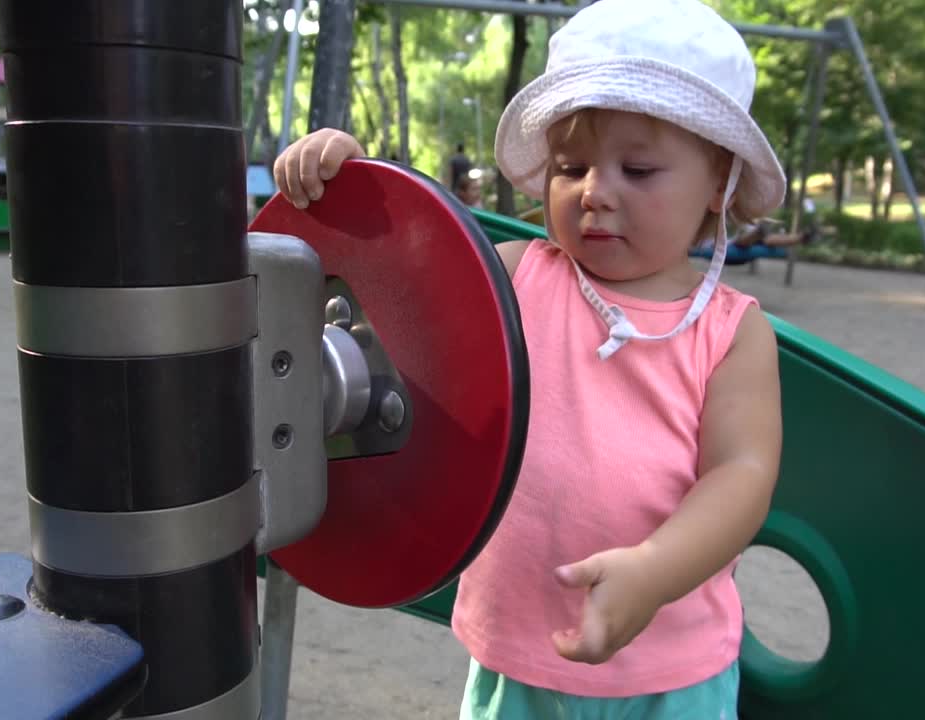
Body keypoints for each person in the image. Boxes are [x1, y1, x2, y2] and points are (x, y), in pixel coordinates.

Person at [274, 1, 783, 717]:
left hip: (673, 671)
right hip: (519, 657)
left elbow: (743, 473)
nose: (596, 192)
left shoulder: (730, 331)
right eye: (571, 166)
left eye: (638, 169)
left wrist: (654, 572)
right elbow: (399, 273)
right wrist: (348, 181)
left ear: (719, 185)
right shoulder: (514, 277)